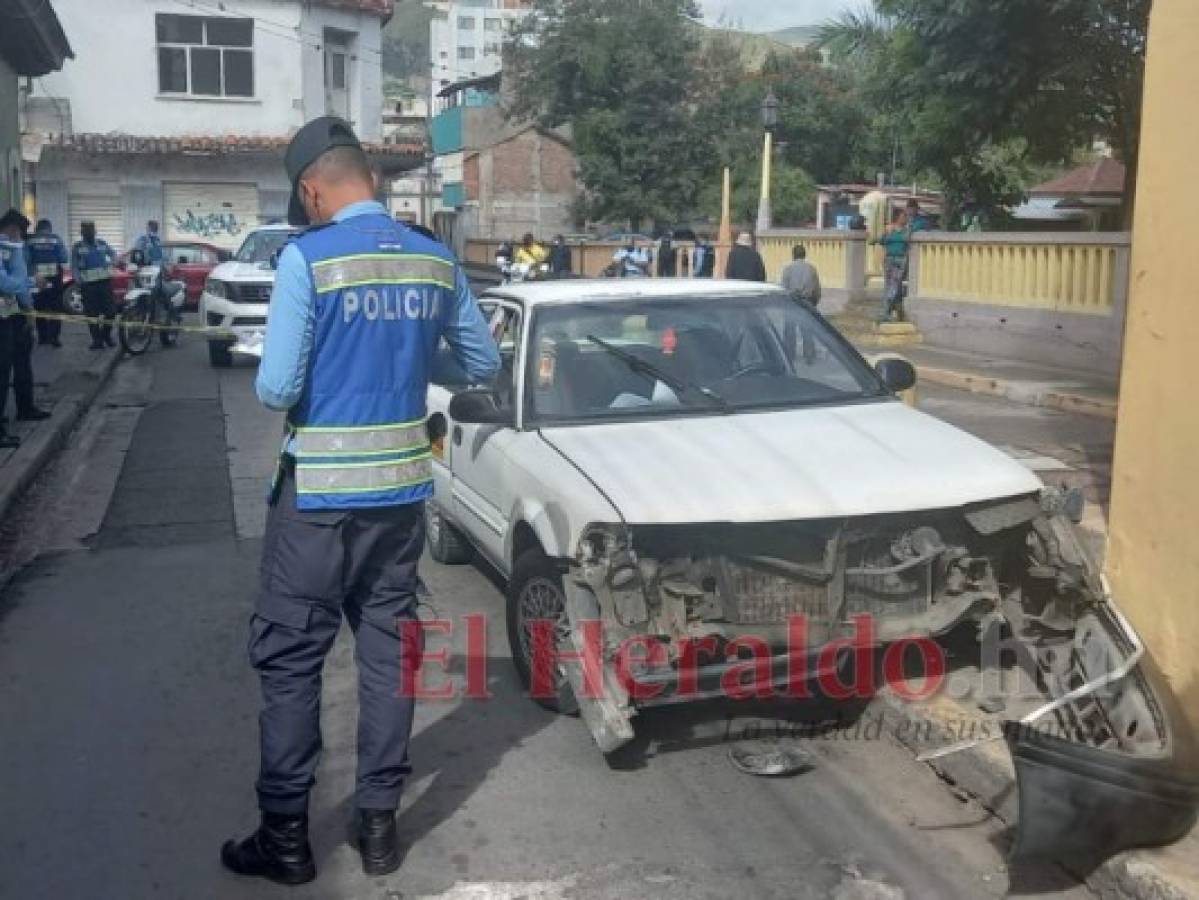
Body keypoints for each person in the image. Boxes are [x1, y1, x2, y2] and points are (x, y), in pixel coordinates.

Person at [220, 116, 500, 888]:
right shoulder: (436, 259)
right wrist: (410, 353)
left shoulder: (307, 259)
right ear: (369, 179)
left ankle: (284, 838)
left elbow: (277, 387)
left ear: (313, 189)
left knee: (290, 659)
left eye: (302, 199)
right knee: (387, 653)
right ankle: (378, 827)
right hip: (399, 497)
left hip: (317, 500)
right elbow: (481, 358)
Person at [0, 209, 38, 447]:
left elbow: (16, 286)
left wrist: (28, 309)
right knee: (2, 374)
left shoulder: (10, 249)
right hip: (3, 321)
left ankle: (26, 407)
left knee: (21, 364)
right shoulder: (5, 249)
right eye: (20, 233)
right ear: (13, 229)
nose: (21, 238)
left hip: (13, 316)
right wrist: (29, 282)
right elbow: (6, 282)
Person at [71, 220, 118, 350]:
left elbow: (113, 254)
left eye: (91, 230)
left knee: (111, 312)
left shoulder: (102, 244)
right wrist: (77, 279)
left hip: (104, 283)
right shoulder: (77, 247)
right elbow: (74, 266)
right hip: (88, 286)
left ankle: (106, 335)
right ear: (82, 233)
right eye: (86, 231)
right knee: (92, 315)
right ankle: (97, 340)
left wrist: (114, 261)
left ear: (95, 231)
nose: (89, 233)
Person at [27, 219, 68, 348]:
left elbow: (26, 261)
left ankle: (43, 337)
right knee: (56, 308)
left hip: (37, 279)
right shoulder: (56, 239)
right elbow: (64, 258)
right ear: (49, 228)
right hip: (54, 278)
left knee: (39, 307)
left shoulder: (30, 240)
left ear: (37, 228)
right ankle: (54, 338)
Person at [874, 209, 910, 322]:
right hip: (889, 258)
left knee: (893, 285)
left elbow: (907, 241)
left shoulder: (907, 230)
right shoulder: (889, 229)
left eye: (905, 216)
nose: (905, 218)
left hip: (900, 259)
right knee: (891, 285)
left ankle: (886, 311)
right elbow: (881, 241)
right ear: (897, 218)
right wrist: (886, 232)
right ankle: (899, 311)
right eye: (903, 216)